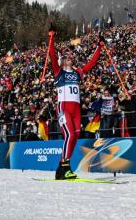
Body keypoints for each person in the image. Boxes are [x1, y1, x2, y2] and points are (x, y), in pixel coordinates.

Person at [48, 29, 103, 180]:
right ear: (62, 62)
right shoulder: (59, 73)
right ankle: (64, 168)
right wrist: (51, 37)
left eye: (69, 57)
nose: (69, 58)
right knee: (70, 135)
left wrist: (100, 47)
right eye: (66, 57)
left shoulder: (78, 72)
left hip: (76, 110)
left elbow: (91, 63)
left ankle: (62, 169)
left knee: (75, 137)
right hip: (64, 108)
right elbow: (52, 55)